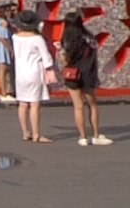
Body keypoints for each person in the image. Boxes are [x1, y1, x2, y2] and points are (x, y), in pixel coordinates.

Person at [58, 12, 111, 146]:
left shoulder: (66, 40)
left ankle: (83, 138)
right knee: (92, 105)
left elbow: (65, 61)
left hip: (72, 75)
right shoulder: (89, 38)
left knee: (78, 106)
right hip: (88, 74)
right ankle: (96, 135)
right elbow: (94, 56)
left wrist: (60, 51)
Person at [11, 10, 55, 142]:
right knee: (35, 104)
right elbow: (46, 57)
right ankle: (36, 134)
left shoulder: (15, 37)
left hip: (20, 73)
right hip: (34, 72)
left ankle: (26, 132)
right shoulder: (37, 39)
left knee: (23, 104)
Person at [0, 5, 15, 101]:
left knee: (1, 71)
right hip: (3, 47)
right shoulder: (4, 22)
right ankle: (4, 94)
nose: (9, 13)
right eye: (7, 11)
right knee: (3, 71)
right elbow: (4, 38)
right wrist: (11, 49)